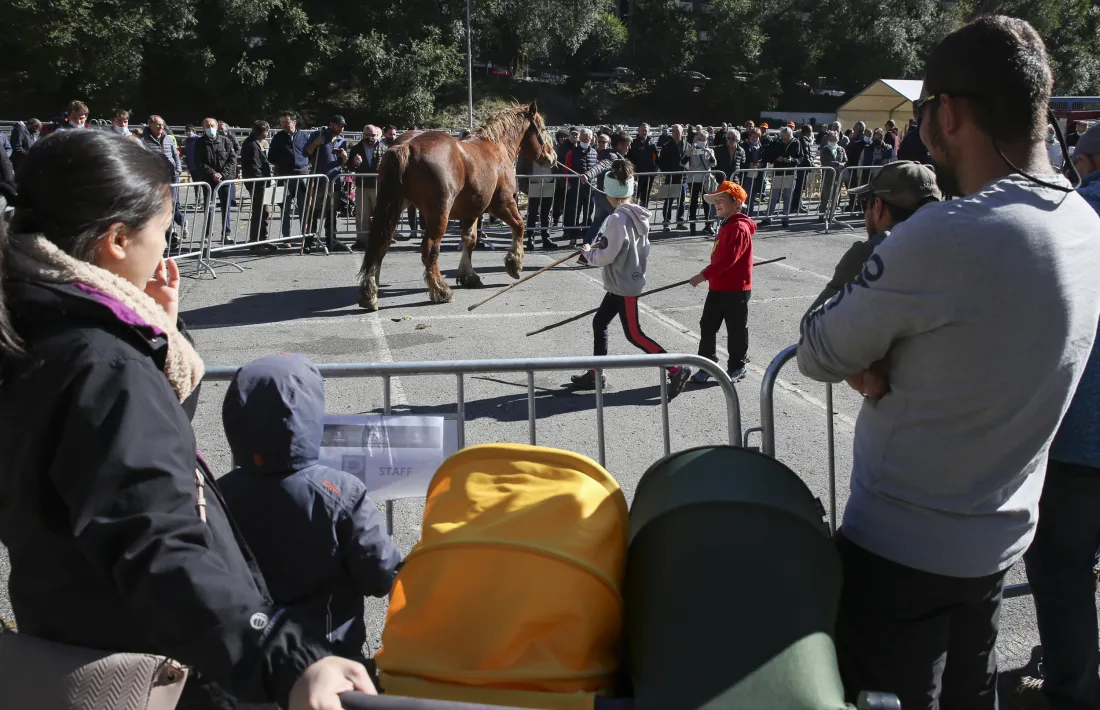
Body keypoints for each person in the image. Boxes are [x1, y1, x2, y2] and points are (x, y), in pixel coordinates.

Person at [0, 129, 374, 710]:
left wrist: (160, 333)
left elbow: (122, 455)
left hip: (68, 633)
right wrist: (283, 657)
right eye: (162, 232)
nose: (166, 248)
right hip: (154, 667)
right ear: (117, 240)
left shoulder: (32, 325)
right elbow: (154, 536)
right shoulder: (102, 363)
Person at [797, 16, 1100, 709]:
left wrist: (871, 349)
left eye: (924, 110)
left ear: (951, 113)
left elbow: (819, 348)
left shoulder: (947, 233)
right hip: (997, 540)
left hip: (903, 548)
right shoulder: (1084, 222)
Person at [219, 353, 402, 664]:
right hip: (329, 658)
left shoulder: (217, 493)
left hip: (246, 665)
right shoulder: (341, 492)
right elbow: (382, 575)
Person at [1015, 121, 1100, 710]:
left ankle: (1073, 693)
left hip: (1079, 436)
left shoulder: (1074, 220)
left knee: (1063, 571)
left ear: (1085, 161)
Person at [568, 160, 692, 398]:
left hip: (624, 283)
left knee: (634, 334)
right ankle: (596, 374)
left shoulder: (617, 219)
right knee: (600, 322)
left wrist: (588, 254)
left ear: (609, 192)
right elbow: (639, 248)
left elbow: (607, 255)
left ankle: (676, 368)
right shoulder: (636, 214)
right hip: (624, 279)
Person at [800, 161, 940, 331]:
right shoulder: (959, 245)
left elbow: (812, 325)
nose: (865, 211)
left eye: (865, 202)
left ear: (878, 206)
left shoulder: (873, 254)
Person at [687, 181, 756, 383]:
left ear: (736, 203)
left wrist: (703, 275)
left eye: (722, 200)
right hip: (718, 286)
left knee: (735, 328)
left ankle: (737, 365)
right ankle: (707, 365)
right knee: (707, 325)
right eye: (715, 201)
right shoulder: (727, 224)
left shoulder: (739, 228)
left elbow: (728, 260)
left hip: (735, 289)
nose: (717, 204)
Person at [579, 131, 632, 262]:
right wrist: (588, 175)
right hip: (612, 200)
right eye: (627, 145)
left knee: (597, 224)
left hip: (601, 198)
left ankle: (584, 255)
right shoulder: (612, 158)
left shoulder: (613, 156)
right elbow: (600, 167)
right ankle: (618, 254)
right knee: (621, 226)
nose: (629, 148)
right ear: (620, 145)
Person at [305, 115, 351, 253]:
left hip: (335, 181)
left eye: (343, 126)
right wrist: (315, 144)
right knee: (312, 212)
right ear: (331, 124)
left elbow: (342, 164)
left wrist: (344, 158)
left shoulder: (342, 141)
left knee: (332, 212)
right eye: (339, 125)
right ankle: (309, 241)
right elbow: (306, 153)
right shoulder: (318, 135)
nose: (341, 128)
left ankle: (331, 240)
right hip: (318, 181)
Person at [269, 112, 313, 243]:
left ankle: (305, 237)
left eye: (286, 122)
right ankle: (286, 238)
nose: (284, 125)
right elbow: (271, 156)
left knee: (303, 207)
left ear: (294, 122)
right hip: (285, 176)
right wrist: (281, 164)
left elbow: (310, 153)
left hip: (302, 175)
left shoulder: (304, 136)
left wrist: (305, 164)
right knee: (285, 208)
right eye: (282, 122)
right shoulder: (278, 137)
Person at [195, 117, 237, 240]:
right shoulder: (199, 143)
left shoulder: (226, 141)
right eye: (207, 126)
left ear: (217, 127)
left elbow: (232, 159)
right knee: (208, 207)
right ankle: (208, 234)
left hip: (224, 179)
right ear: (203, 128)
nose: (210, 128)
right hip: (208, 180)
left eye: (212, 125)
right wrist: (213, 173)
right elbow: (199, 162)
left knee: (226, 207)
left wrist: (222, 174)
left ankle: (226, 234)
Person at [347, 124, 386, 250]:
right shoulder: (356, 148)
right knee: (362, 214)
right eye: (367, 135)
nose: (370, 137)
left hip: (378, 186)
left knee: (380, 214)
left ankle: (381, 240)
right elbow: (350, 166)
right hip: (361, 186)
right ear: (363, 135)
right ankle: (362, 240)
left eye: (373, 135)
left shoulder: (383, 147)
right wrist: (354, 162)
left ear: (377, 135)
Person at [241, 120, 274, 251]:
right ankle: (255, 242)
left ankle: (263, 239)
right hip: (257, 183)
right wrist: (263, 182)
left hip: (260, 183)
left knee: (264, 212)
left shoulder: (256, 143)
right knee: (259, 212)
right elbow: (255, 167)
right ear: (263, 131)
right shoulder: (252, 145)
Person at [681, 131, 718, 235]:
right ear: (696, 140)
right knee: (693, 203)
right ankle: (692, 226)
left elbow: (714, 164)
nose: (702, 141)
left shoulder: (710, 150)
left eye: (704, 139)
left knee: (707, 203)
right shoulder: (690, 150)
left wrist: (711, 155)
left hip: (706, 180)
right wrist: (689, 154)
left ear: (707, 141)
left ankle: (709, 225)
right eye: (699, 139)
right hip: (693, 180)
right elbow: (682, 163)